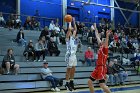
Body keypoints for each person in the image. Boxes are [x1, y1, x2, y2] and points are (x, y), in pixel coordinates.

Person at [88, 23, 111, 93]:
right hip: (97, 67)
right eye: (102, 40)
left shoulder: (105, 49)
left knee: (102, 84)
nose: (102, 40)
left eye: (103, 40)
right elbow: (97, 35)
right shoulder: (101, 46)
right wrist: (95, 28)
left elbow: (106, 42)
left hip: (102, 67)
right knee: (89, 82)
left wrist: (107, 36)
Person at [65, 17, 77, 91]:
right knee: (68, 70)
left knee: (73, 69)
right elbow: (69, 29)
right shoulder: (67, 39)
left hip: (74, 55)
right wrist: (70, 21)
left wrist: (74, 21)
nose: (72, 31)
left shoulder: (73, 38)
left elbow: (75, 29)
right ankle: (67, 83)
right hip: (69, 56)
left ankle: (71, 82)